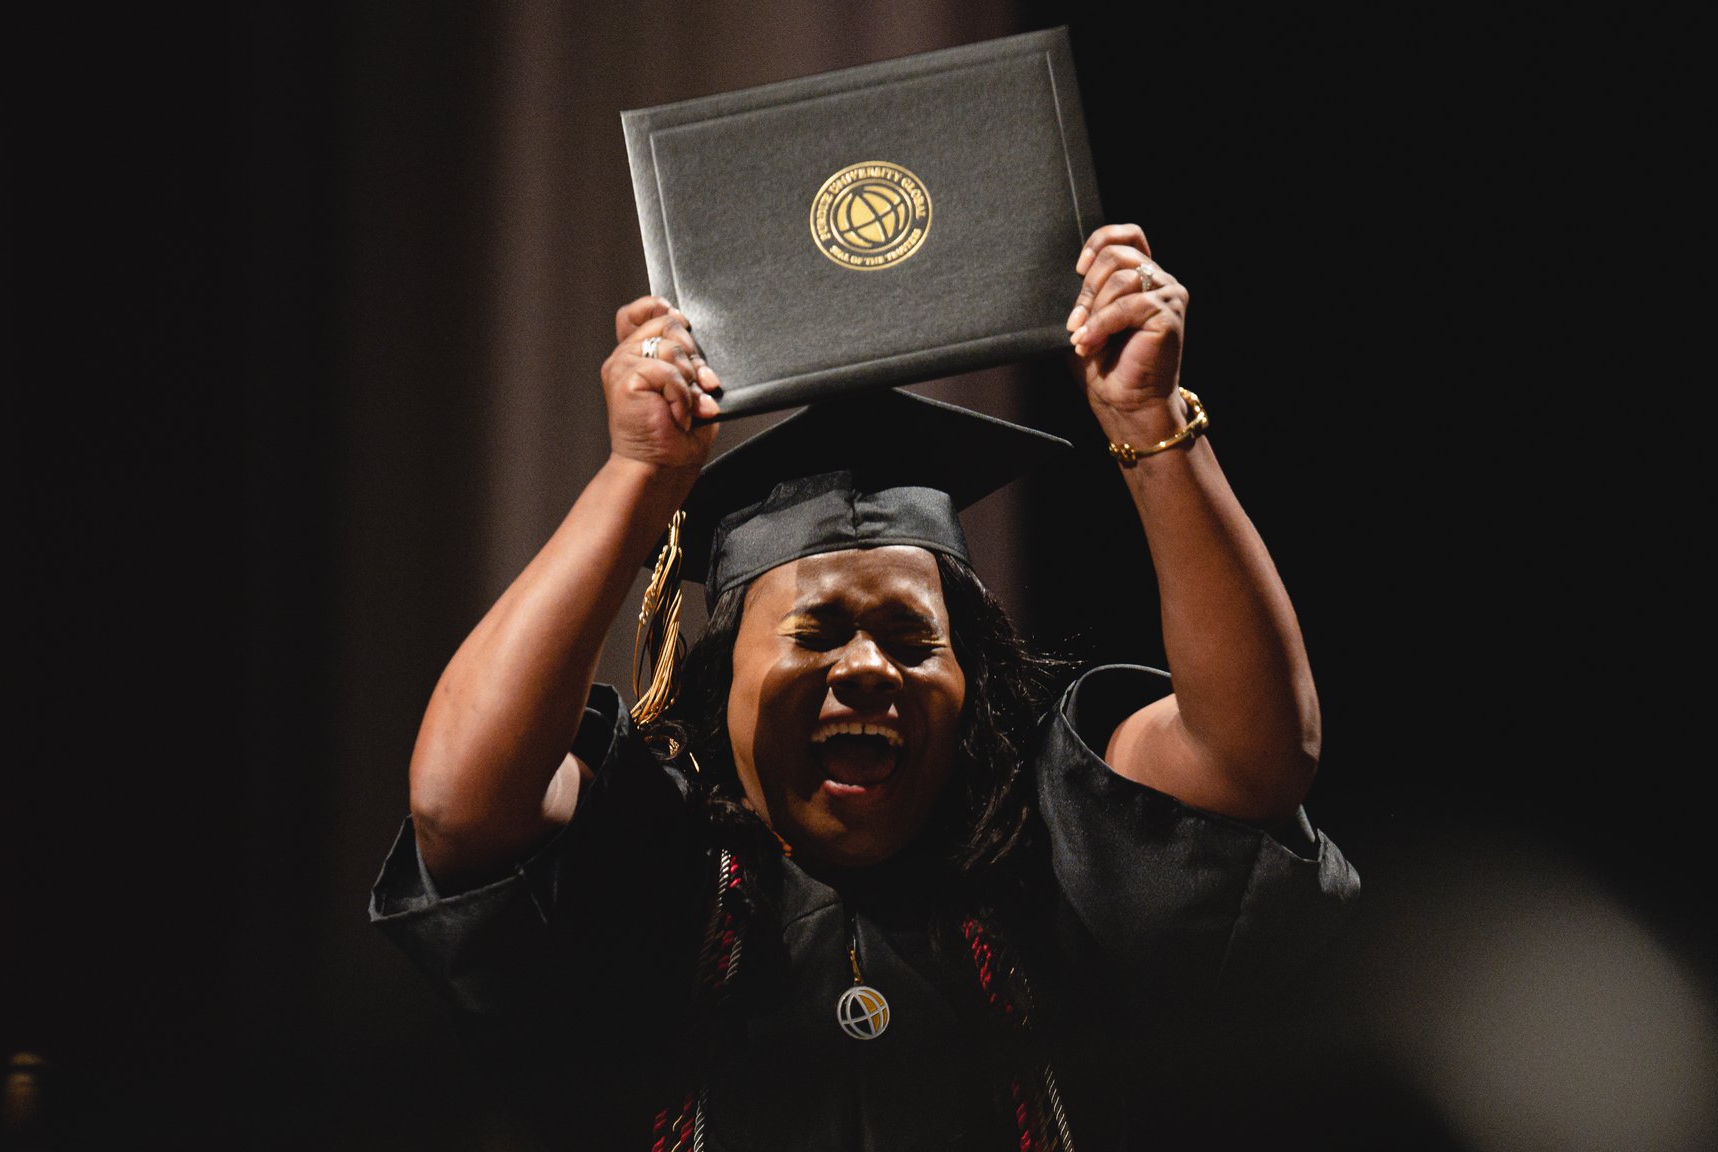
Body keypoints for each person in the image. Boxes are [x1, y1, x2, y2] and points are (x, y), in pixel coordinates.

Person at [371, 224, 1358, 1151]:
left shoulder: (1047, 845)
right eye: (817, 631)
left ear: (967, 676)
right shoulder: (651, 863)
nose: (866, 669)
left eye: (909, 637)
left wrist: (1152, 426)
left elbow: (1252, 757)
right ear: (723, 682)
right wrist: (637, 476)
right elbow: (458, 805)